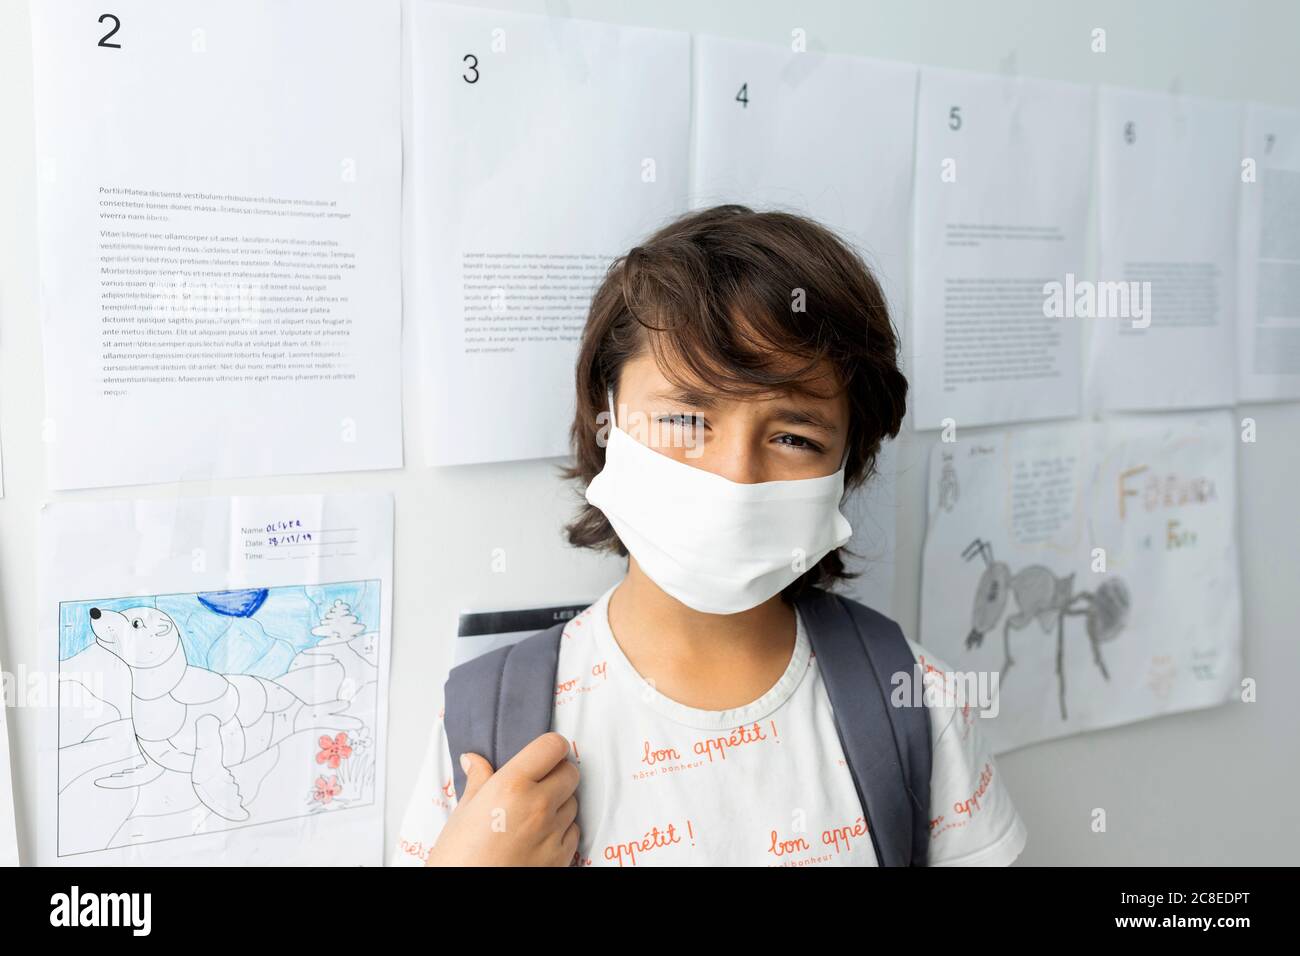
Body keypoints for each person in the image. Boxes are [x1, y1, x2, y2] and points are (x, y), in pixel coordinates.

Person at [391, 205, 1027, 867]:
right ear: (605, 418)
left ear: (847, 463)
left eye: (793, 437)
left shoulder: (919, 702)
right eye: (686, 419)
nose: (737, 479)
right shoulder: (491, 725)